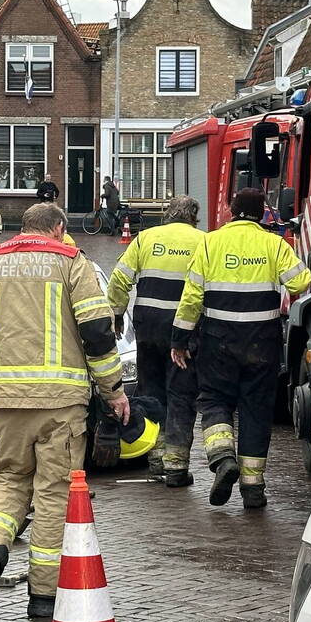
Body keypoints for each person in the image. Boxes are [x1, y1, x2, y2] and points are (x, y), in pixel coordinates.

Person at [0, 203, 130, 619]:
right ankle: (43, 596)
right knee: (53, 495)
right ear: (59, 227)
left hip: (7, 401)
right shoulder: (71, 261)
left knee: (7, 483)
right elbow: (98, 333)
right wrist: (114, 392)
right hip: (60, 404)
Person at [171, 188, 311, 509]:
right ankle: (253, 489)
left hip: (217, 342)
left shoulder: (210, 243)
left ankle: (223, 459)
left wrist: (179, 341)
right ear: (263, 212)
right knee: (256, 410)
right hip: (262, 343)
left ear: (231, 210)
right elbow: (300, 283)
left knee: (214, 400)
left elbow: (192, 297)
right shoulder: (274, 244)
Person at [107, 195, 205, 484]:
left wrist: (116, 314)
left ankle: (155, 457)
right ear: (193, 217)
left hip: (148, 326)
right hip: (184, 331)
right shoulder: (203, 241)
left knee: (150, 391)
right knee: (182, 393)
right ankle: (176, 466)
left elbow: (120, 279)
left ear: (167, 215)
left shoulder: (145, 239)